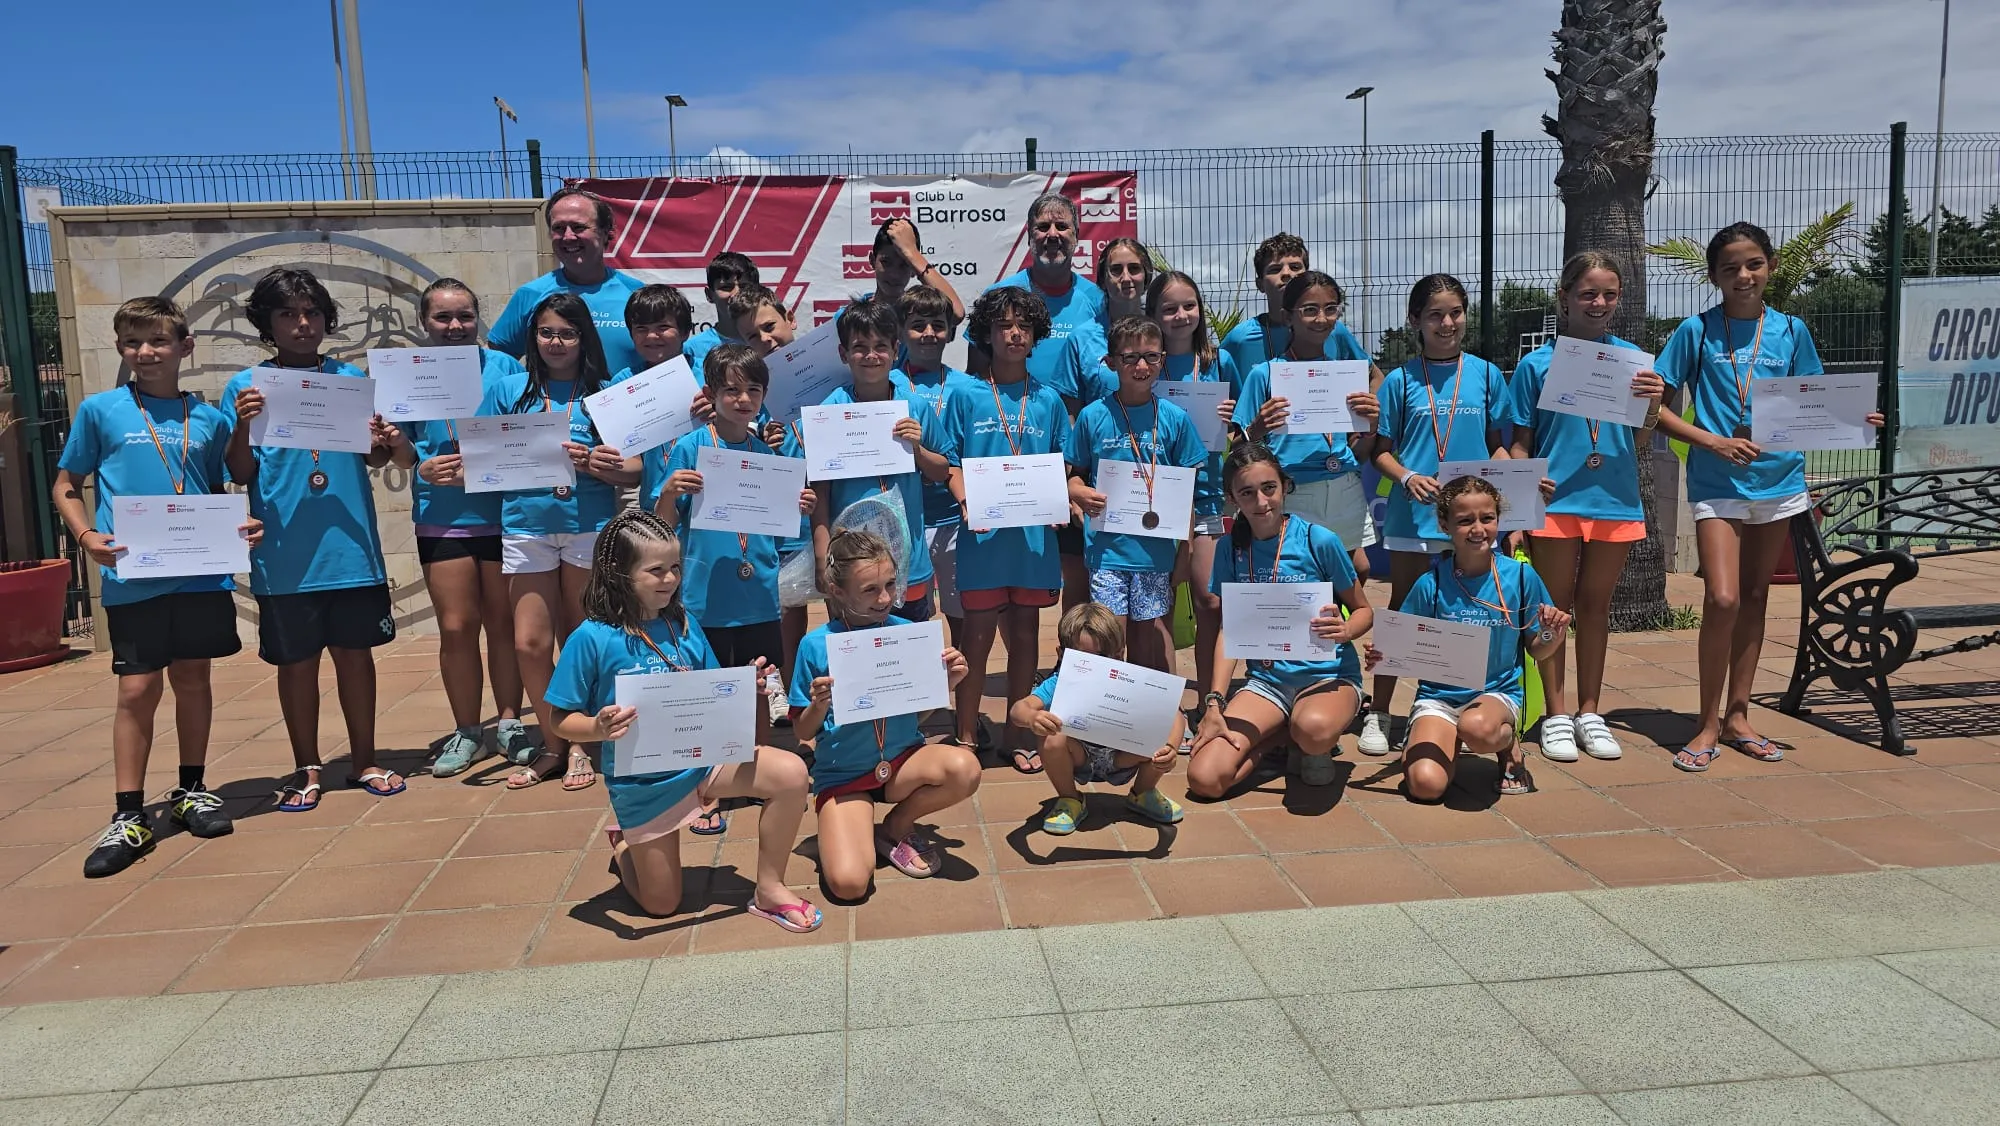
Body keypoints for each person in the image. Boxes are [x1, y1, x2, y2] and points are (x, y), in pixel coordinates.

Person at [1654, 222, 1884, 772]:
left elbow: (1814, 401)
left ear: (1771, 267)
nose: (1743, 276)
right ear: (1714, 276)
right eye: (1730, 268)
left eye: (1753, 264)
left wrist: (1856, 420)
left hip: (1779, 482)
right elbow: (1653, 407)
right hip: (1718, 484)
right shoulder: (1695, 331)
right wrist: (1711, 441)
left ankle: (1738, 717)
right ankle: (1706, 723)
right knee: (1723, 598)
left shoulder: (1791, 330)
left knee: (1756, 597)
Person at [54, 297, 258, 876]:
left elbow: (223, 487)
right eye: (132, 343)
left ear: (184, 347)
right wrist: (86, 536)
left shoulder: (209, 418)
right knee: (137, 690)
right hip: (134, 573)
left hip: (200, 575)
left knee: (193, 680)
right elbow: (66, 484)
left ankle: (192, 790)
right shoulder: (101, 410)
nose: (145, 352)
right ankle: (128, 813)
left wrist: (241, 524)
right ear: (121, 349)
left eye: (158, 341)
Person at [543, 510, 821, 932]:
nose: (670, 579)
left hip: (703, 762)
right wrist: (596, 729)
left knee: (791, 773)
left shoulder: (685, 623)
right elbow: (559, 719)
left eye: (675, 567)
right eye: (655, 570)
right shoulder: (591, 637)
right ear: (618, 572)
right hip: (645, 781)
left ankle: (770, 888)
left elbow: (712, 688)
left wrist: (747, 684)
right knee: (661, 904)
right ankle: (626, 847)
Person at [222, 269, 403, 811]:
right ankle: (307, 766)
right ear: (267, 323)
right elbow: (241, 471)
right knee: (297, 665)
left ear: (326, 319)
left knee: (356, 658)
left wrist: (380, 439)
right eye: (288, 314)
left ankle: (365, 759)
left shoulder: (348, 378)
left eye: (312, 313)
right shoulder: (248, 385)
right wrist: (241, 424)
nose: (302, 324)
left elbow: (374, 459)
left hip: (351, 551)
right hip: (285, 556)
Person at [1501, 253, 1664, 763]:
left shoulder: (1634, 361)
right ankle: (1555, 714)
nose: (1599, 303)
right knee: (1553, 607)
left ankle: (1589, 712)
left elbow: (1639, 440)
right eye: (1588, 293)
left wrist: (1653, 403)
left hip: (1613, 498)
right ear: (1565, 298)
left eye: (1609, 294)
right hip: (1556, 501)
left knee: (1596, 607)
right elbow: (1520, 443)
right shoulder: (1536, 365)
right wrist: (1524, 493)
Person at [480, 292, 641, 792]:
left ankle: (580, 746)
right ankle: (553, 744)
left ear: (583, 338)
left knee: (580, 640)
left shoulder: (604, 392)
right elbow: (483, 459)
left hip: (587, 524)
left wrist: (597, 464)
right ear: (533, 337)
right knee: (529, 643)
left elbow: (634, 468)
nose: (556, 342)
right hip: (526, 524)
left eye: (567, 333)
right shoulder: (509, 390)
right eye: (547, 332)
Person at [387, 279, 534, 777]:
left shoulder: (506, 368)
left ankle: (510, 722)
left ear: (478, 318)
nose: (455, 326)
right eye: (443, 317)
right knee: (455, 628)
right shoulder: (406, 374)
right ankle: (468, 730)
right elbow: (403, 453)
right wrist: (416, 461)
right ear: (423, 322)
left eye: (464, 316)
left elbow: (523, 437)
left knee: (503, 625)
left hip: (504, 513)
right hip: (442, 516)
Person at [1363, 274, 1509, 757]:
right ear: (1415, 321)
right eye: (1435, 315)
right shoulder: (1401, 380)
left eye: (1455, 313)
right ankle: (1381, 712)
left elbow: (1497, 445)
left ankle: (1452, 708)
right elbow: (1380, 452)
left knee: (1467, 613)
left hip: (1470, 519)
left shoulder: (1487, 375)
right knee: (1402, 613)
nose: (1447, 323)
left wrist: (1517, 478)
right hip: (1415, 515)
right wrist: (1407, 477)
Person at [647, 342, 816, 759]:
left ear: (764, 395)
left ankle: (758, 759)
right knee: (709, 685)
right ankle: (712, 766)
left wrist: (799, 507)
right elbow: (662, 527)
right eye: (732, 390)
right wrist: (668, 492)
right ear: (711, 394)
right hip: (705, 595)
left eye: (753, 390)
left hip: (757, 593)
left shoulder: (768, 455)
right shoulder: (691, 448)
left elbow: (779, 533)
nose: (743, 399)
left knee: (757, 683)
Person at [792, 528, 979, 899]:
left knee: (965, 769)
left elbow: (916, 717)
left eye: (890, 584)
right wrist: (819, 704)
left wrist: (946, 684)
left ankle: (896, 825)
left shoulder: (907, 633)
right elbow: (802, 730)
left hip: (901, 761)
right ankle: (849, 825)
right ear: (837, 591)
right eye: (869, 589)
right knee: (849, 885)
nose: (884, 598)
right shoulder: (815, 645)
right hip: (845, 773)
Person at [1366, 476, 1570, 800]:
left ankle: (1508, 744)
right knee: (1425, 786)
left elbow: (1539, 650)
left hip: (1496, 694)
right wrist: (1382, 655)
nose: (1478, 529)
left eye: (1487, 518)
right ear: (1444, 525)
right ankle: (1437, 737)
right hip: (1438, 698)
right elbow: (1399, 649)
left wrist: (1551, 633)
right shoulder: (1430, 584)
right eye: (1465, 521)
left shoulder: (1520, 576)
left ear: (1499, 520)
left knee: (1477, 728)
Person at [1189, 443, 1372, 796]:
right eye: (1247, 493)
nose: (1261, 502)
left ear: (1285, 487)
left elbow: (1365, 610)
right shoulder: (1230, 548)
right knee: (1204, 779)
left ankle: (1305, 738)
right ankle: (1281, 738)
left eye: (1269, 488)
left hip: (1327, 677)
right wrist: (1214, 703)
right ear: (1232, 498)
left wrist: (1346, 629)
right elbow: (1230, 631)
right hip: (1268, 682)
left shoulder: (1319, 540)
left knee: (1313, 730)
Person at [945, 286, 1070, 772]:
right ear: (986, 334)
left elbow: (1062, 465)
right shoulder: (965, 394)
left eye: (1023, 326)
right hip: (983, 538)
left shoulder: (1049, 399)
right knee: (975, 639)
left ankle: (1018, 733)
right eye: (1003, 325)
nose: (1014, 334)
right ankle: (966, 733)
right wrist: (964, 498)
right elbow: (951, 462)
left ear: (1036, 335)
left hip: (1033, 542)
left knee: (1025, 637)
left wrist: (1061, 499)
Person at [1066, 315, 1208, 674]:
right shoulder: (1093, 416)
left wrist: (1186, 550)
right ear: (1111, 362)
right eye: (1130, 357)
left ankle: (1145, 706)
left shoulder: (1175, 419)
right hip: (1107, 552)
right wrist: (1078, 492)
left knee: (1148, 642)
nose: (1141, 366)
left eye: (1151, 356)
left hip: (1155, 554)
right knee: (1109, 641)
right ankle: (1106, 704)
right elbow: (1073, 476)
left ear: (1162, 359)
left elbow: (1186, 491)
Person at [1232, 270, 1382, 585]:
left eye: (1330, 309)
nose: (1322, 319)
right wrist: (1256, 429)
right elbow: (1237, 448)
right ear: (1288, 316)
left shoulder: (1345, 375)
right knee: (1300, 579)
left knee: (1353, 574)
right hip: (1294, 491)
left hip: (1343, 485)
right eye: (1310, 310)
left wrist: (1370, 428)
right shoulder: (1266, 375)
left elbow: (1359, 452)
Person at [810, 298, 954, 622]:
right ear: (843, 354)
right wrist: (822, 556)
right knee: (854, 649)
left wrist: (917, 450)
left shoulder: (914, 407)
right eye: (860, 347)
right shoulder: (829, 410)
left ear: (895, 349)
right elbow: (820, 490)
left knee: (909, 647)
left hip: (909, 564)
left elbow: (943, 470)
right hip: (850, 565)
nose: (871, 356)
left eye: (880, 346)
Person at [1012, 602, 1184, 833]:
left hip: (1122, 756)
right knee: (1051, 738)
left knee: (1161, 730)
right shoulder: (1059, 682)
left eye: (1102, 657)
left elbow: (1175, 716)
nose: (1093, 666)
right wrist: (1032, 717)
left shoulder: (1132, 681)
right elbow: (1018, 709)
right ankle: (1070, 799)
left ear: (1119, 655)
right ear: (1062, 655)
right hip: (1079, 755)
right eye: (1082, 659)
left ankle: (1143, 792)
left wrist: (1170, 748)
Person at [1149, 269, 1239, 704]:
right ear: (1153, 314)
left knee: (1211, 603)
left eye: (1189, 306)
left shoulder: (1219, 361)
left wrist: (1232, 421)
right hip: (1156, 500)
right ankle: (1163, 708)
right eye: (1169, 309)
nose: (1181, 315)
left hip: (1208, 499)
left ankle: (1209, 699)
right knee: (1159, 606)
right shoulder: (1147, 363)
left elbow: (1242, 427)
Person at [488, 187, 646, 376]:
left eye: (578, 227)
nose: (568, 236)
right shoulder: (530, 294)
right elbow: (496, 365)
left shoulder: (636, 294)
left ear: (605, 232)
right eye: (559, 228)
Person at [899, 285, 980, 645]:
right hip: (905, 522)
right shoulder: (887, 384)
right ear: (900, 332)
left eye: (938, 325)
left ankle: (961, 675)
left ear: (950, 331)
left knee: (961, 614)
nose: (929, 333)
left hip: (954, 520)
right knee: (912, 621)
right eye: (918, 325)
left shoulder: (968, 387)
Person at [969, 191, 1106, 390]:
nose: (1052, 234)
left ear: (1076, 236)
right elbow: (976, 374)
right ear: (1029, 236)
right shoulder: (998, 296)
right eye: (1043, 227)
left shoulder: (1099, 300)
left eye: (1061, 226)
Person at [1220, 233, 1369, 395]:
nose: (1287, 273)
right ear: (1260, 284)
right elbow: (1215, 386)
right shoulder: (1239, 339)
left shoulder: (1332, 330)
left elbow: (1373, 376)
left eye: (1295, 267)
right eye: (1275, 269)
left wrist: (1370, 406)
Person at [1050, 237, 1153, 410]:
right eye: (1116, 270)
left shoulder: (1162, 333)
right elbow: (1070, 413)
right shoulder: (1080, 340)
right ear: (1103, 280)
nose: (1126, 277)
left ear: (1146, 277)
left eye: (1134, 268)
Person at [863, 217, 966, 323]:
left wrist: (912, 252)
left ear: (913, 268)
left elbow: (956, 313)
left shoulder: (921, 314)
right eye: (886, 262)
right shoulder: (855, 313)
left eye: (904, 264)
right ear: (872, 260)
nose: (895, 274)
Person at [683, 252, 759, 374]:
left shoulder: (769, 340)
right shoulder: (691, 350)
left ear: (758, 292)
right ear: (709, 295)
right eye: (726, 287)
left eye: (744, 287)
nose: (736, 294)